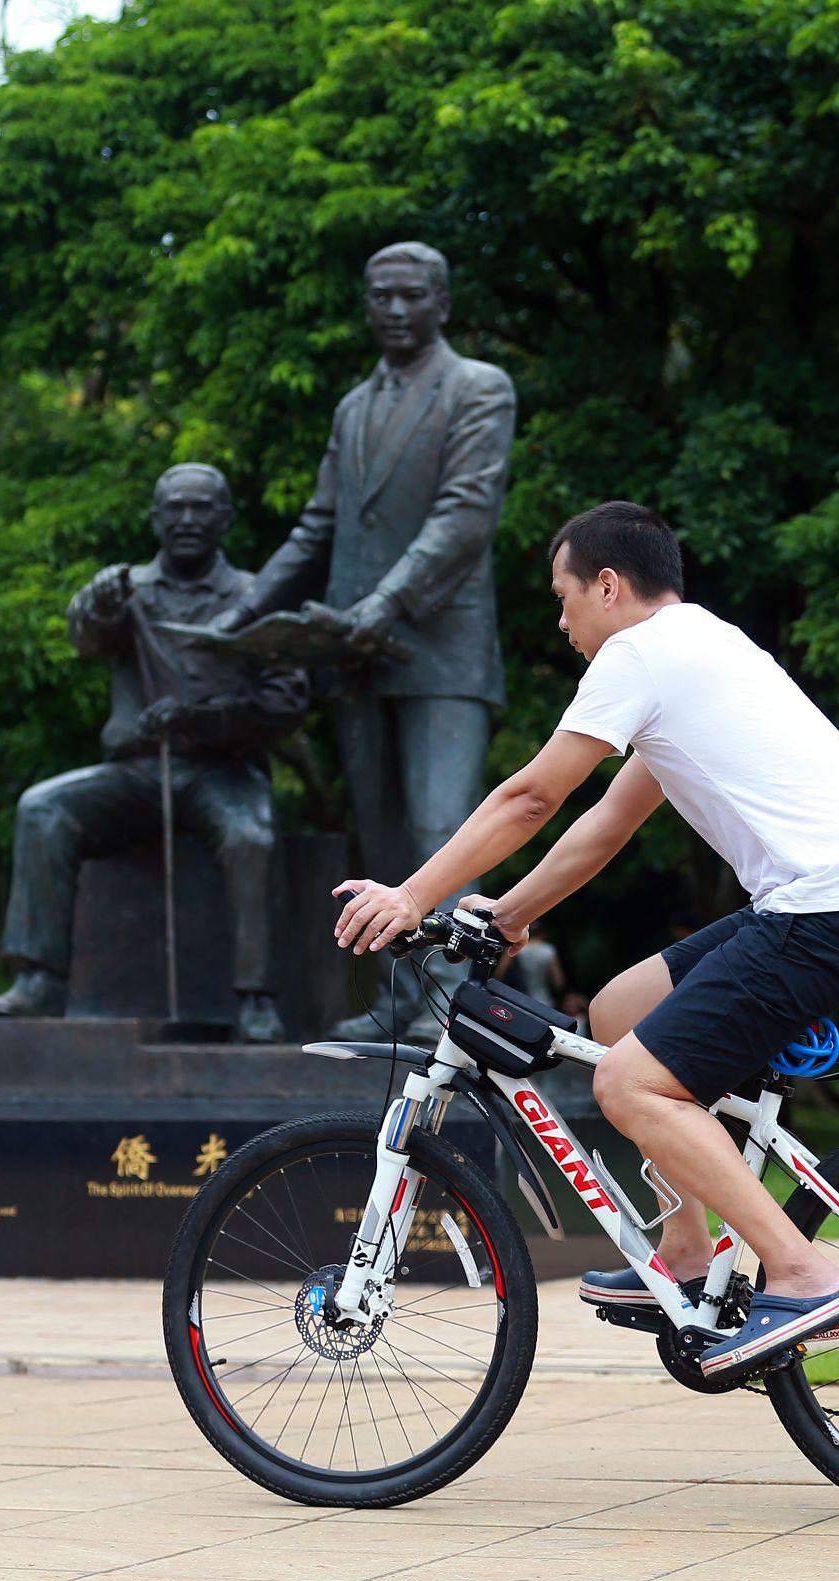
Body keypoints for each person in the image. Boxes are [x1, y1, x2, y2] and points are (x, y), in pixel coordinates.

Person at [332, 502, 839, 1377]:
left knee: (629, 1083)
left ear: (609, 586)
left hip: (830, 910)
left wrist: (414, 893)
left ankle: (802, 1272)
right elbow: (606, 822)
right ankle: (683, 1254)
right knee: (619, 1007)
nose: (562, 621)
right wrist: (509, 914)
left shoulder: (640, 655)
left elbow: (533, 797)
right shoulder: (699, 649)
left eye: (565, 598)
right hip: (836, 902)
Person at [217, 242, 517, 1043]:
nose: (391, 309)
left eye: (409, 296)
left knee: (443, 825)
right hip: (357, 653)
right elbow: (318, 526)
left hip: (441, 650)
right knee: (382, 837)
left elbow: (464, 516)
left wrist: (385, 604)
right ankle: (400, 991)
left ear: (441, 303)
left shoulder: (478, 388)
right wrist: (241, 612)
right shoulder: (354, 407)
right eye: (378, 295)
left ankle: (452, 997)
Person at [0, 464, 306, 1043]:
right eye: (174, 508)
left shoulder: (258, 596)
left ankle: (255, 997)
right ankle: (40, 981)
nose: (187, 519)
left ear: (226, 518)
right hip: (135, 772)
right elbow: (88, 639)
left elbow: (287, 702)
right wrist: (96, 608)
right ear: (156, 519)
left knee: (252, 838)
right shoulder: (125, 591)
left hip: (223, 772)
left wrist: (204, 720)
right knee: (42, 807)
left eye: (202, 507)